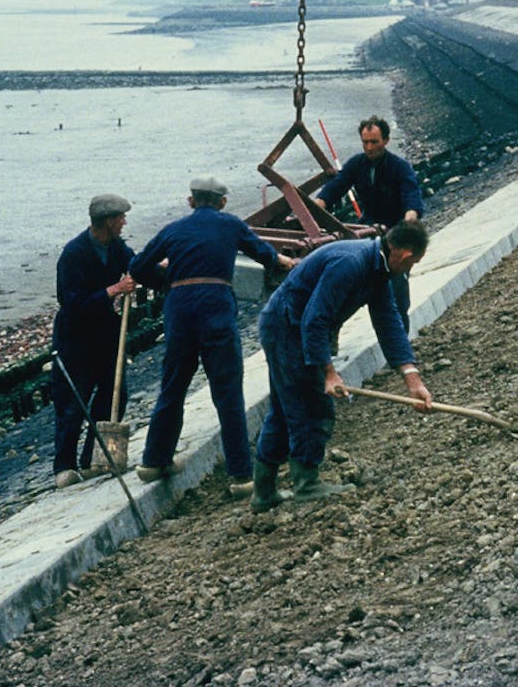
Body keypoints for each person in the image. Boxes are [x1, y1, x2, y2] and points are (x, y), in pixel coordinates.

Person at [129, 176, 296, 496]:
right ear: (222, 202)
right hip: (215, 308)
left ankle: (154, 460)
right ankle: (241, 476)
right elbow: (263, 253)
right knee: (227, 392)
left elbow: (137, 267)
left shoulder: (173, 229)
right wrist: (285, 261)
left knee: (173, 386)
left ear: (190, 201)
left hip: (179, 311)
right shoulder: (230, 225)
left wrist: (168, 280)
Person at [252, 220, 433, 511]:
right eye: (413, 260)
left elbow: (389, 323)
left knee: (286, 408)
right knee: (310, 404)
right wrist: (329, 372)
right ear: (400, 252)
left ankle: (264, 493)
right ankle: (306, 484)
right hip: (287, 327)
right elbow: (315, 318)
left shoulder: (378, 270)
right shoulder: (350, 263)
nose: (410, 268)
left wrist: (413, 380)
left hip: (296, 326)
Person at [50, 194, 137, 489]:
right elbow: (71, 302)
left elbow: (134, 263)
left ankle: (94, 459)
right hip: (76, 337)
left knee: (115, 394)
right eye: (121, 218)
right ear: (109, 222)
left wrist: (159, 266)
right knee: (73, 401)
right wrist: (113, 290)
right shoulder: (73, 254)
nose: (125, 222)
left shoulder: (115, 246)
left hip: (105, 333)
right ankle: (64, 466)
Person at [311, 115, 425, 332]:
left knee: (397, 291)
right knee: (351, 286)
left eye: (374, 142)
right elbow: (336, 186)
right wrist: (317, 205)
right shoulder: (356, 164)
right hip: (368, 234)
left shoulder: (400, 167)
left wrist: (410, 220)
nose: (369, 147)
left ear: (386, 140)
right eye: (365, 142)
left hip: (396, 234)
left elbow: (411, 195)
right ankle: (332, 330)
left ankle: (403, 340)